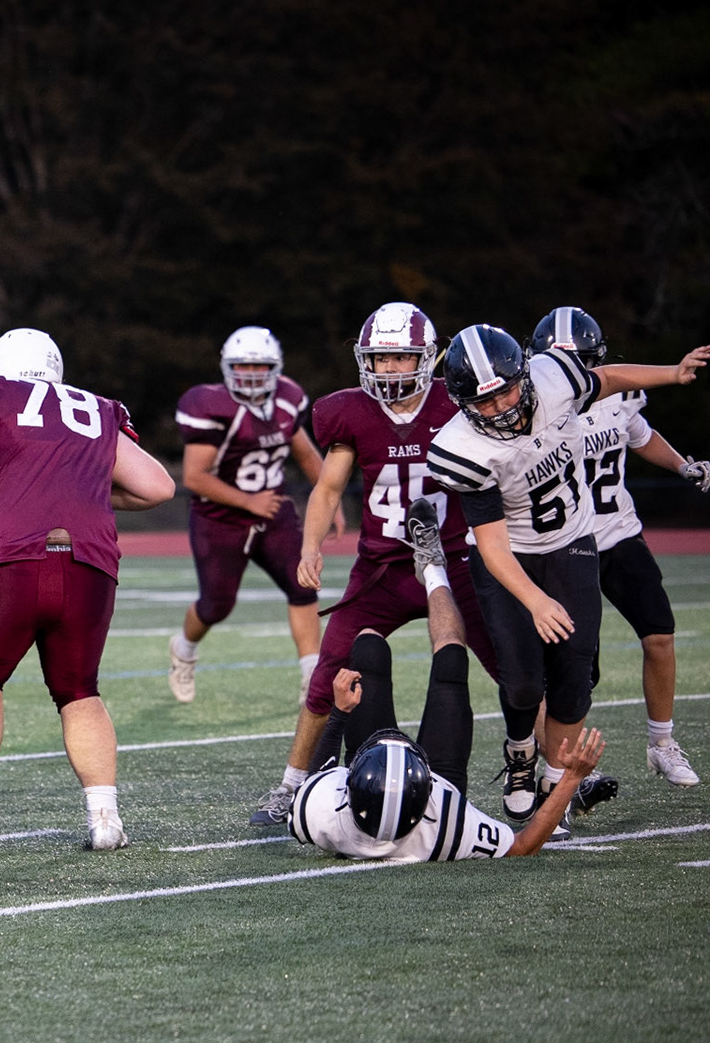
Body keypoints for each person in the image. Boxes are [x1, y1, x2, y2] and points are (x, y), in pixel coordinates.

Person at [0, 327, 176, 854]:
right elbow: (158, 486)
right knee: (80, 691)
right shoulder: (98, 408)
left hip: (13, 559)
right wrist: (86, 491)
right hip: (88, 564)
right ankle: (105, 817)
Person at [426, 324, 708, 821]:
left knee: (575, 678)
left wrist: (673, 372)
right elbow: (492, 546)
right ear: (462, 403)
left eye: (506, 391)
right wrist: (536, 600)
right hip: (509, 557)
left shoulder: (554, 376)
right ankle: (520, 753)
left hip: (572, 543)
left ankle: (553, 789)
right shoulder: (463, 449)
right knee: (522, 683)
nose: (500, 407)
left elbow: (609, 378)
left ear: (523, 374)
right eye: (483, 402)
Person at [250, 303, 500, 825]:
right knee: (326, 674)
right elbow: (327, 489)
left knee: (514, 668)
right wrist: (310, 547)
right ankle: (290, 785)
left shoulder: (458, 404)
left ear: (426, 358)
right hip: (381, 571)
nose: (388, 368)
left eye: (400, 357)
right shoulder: (352, 412)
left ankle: (551, 774)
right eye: (380, 358)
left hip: (454, 563)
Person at [290, 499, 611, 860]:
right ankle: (434, 570)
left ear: (347, 794)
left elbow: (317, 777)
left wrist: (339, 713)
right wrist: (570, 780)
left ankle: (426, 570)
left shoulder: (320, 814)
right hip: (438, 777)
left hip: (370, 754)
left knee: (367, 645)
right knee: (452, 656)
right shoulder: (444, 824)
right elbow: (524, 845)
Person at [538, 306, 710, 788]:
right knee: (576, 669)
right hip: (567, 544)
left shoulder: (620, 393)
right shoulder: (537, 406)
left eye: (581, 361)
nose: (572, 372)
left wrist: (682, 466)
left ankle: (662, 743)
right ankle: (554, 772)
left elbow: (640, 435)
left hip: (619, 532)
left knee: (660, 633)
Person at [168, 326, 338, 706]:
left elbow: (305, 452)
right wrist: (248, 502)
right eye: (242, 365)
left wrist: (332, 498)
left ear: (274, 368)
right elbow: (194, 477)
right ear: (227, 368)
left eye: (259, 366)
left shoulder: (287, 399)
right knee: (216, 605)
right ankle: (184, 649)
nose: (250, 374)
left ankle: (312, 675)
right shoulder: (209, 406)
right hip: (219, 518)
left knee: (303, 584)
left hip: (273, 511)